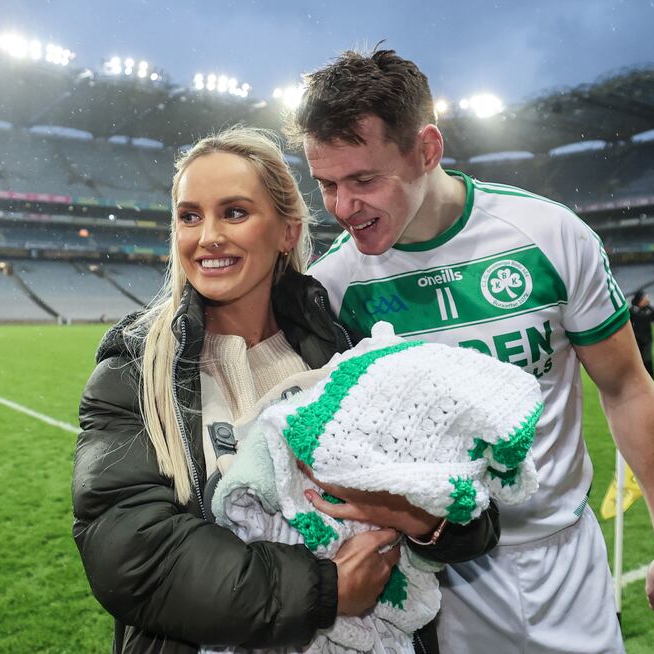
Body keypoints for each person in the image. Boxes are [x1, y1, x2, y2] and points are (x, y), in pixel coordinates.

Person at [288, 48, 654, 653]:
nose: (343, 208)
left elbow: (625, 387)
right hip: (431, 577)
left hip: (564, 559)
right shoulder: (334, 287)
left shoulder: (549, 235)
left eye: (364, 180)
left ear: (428, 150)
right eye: (326, 185)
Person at [72, 126, 497, 654]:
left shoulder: (346, 353)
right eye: (189, 216)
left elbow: (472, 510)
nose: (207, 237)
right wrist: (325, 590)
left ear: (286, 233)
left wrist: (425, 518)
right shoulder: (133, 371)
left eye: (234, 212)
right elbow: (132, 556)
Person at [630, 291, 654, 380]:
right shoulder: (632, 310)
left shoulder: (650, 310)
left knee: (647, 359)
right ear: (640, 299)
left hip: (648, 340)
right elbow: (627, 324)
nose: (647, 299)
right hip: (636, 340)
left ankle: (652, 379)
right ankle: (639, 379)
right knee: (638, 361)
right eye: (645, 297)